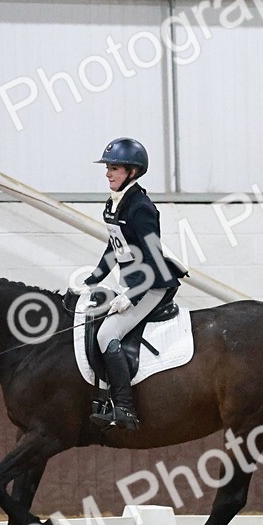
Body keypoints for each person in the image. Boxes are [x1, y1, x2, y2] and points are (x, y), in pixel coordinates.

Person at [77, 137, 183, 430]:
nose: (108, 174)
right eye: (108, 168)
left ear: (132, 172)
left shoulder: (141, 207)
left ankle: (124, 407)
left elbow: (153, 257)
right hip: (131, 282)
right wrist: (92, 279)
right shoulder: (114, 204)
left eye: (114, 168)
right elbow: (115, 247)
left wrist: (132, 296)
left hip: (152, 284)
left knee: (106, 334)